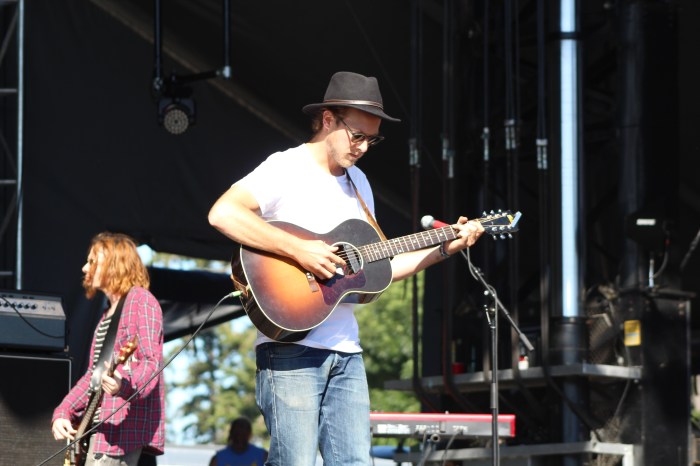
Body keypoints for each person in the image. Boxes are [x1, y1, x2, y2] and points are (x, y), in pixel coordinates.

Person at [208, 71, 484, 466]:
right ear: (328, 120)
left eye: (372, 139)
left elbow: (381, 267)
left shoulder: (359, 183)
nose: (364, 147)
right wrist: (301, 251)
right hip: (291, 349)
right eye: (357, 136)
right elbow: (223, 214)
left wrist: (444, 248)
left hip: (346, 352)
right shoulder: (285, 167)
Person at [51, 232, 165, 466]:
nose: (85, 268)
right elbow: (93, 375)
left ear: (115, 263)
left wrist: (124, 383)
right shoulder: (106, 315)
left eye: (92, 261)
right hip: (98, 429)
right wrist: (64, 411)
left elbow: (151, 363)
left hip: (120, 432)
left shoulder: (141, 301)